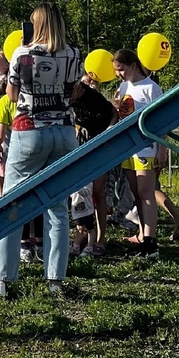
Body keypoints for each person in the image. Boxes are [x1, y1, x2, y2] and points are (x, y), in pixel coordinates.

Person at [0, 2, 83, 300]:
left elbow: (12, 94)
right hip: (64, 131)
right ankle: (55, 280)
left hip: (29, 130)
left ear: (35, 24)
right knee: (57, 208)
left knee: (11, 204)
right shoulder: (73, 53)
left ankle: (0, 278)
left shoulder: (23, 53)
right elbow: (75, 91)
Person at [113, 48, 164, 258]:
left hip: (146, 147)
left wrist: (162, 149)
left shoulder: (151, 88)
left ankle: (151, 242)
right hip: (128, 147)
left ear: (133, 65)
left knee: (146, 193)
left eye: (122, 69)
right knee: (136, 193)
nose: (119, 74)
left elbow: (162, 120)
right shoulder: (124, 86)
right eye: (116, 70)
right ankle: (143, 235)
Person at [69, 73, 118, 256]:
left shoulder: (91, 96)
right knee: (80, 191)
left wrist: (110, 130)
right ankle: (81, 235)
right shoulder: (64, 98)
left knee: (98, 191)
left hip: (99, 144)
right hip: (78, 146)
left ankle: (100, 239)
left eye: (75, 88)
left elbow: (113, 112)